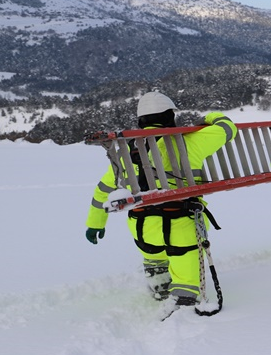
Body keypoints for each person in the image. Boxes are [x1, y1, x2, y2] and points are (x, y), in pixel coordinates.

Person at [85, 91, 237, 312]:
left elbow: (102, 191)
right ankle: (184, 301)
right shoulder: (190, 141)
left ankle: (160, 285)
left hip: (142, 227)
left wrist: (95, 222)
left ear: (140, 121)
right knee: (184, 259)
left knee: (153, 255)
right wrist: (209, 117)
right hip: (181, 222)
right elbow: (227, 128)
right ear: (170, 116)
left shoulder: (126, 153)